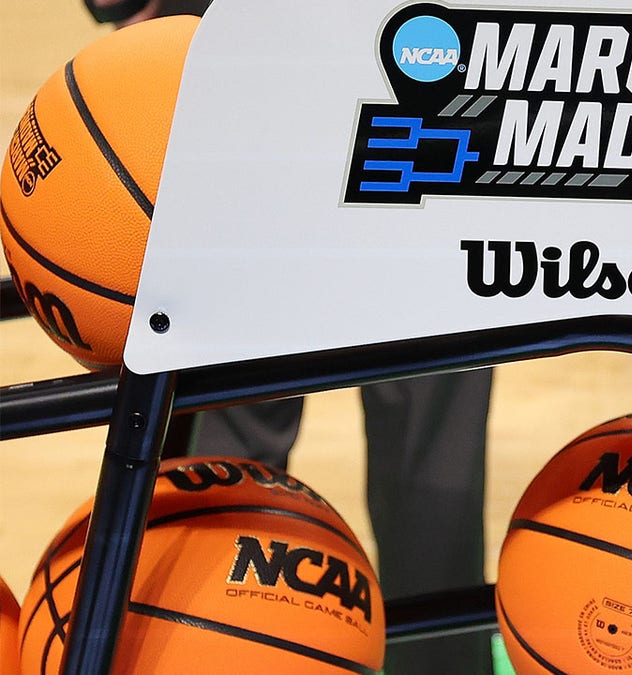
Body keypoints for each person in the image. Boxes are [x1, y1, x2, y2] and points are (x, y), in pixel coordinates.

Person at [85, 2, 496, 672]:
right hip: (393, 59)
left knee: (242, 419)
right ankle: (209, 644)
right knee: (407, 424)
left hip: (300, 65)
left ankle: (197, 647)